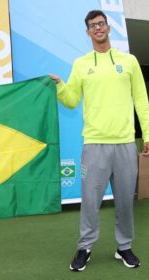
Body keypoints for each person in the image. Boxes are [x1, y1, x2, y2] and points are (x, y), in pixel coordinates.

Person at [50, 10, 149, 272]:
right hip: (94, 144)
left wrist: (147, 134)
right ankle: (85, 247)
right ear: (88, 32)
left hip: (126, 143)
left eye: (101, 23)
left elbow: (141, 99)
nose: (98, 28)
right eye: (93, 25)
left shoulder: (129, 61)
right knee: (91, 201)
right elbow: (71, 100)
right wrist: (60, 86)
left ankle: (124, 247)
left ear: (108, 27)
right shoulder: (81, 64)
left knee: (126, 201)